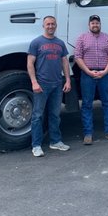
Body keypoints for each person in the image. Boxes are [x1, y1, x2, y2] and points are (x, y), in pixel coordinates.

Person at [27, 15, 72, 157]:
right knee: (37, 116)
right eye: (48, 24)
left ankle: (55, 141)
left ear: (56, 25)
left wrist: (68, 80)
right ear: (43, 26)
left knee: (55, 115)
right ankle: (36, 145)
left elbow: (64, 62)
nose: (51, 26)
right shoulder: (36, 42)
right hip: (42, 84)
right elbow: (30, 63)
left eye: (53, 24)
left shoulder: (60, 43)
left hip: (57, 84)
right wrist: (34, 82)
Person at [74, 15, 108, 145]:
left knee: (107, 103)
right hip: (87, 74)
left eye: (97, 23)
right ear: (89, 25)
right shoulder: (82, 38)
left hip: (104, 74)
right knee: (87, 104)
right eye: (93, 23)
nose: (95, 25)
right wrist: (88, 71)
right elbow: (78, 57)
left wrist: (105, 71)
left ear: (100, 24)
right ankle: (88, 134)